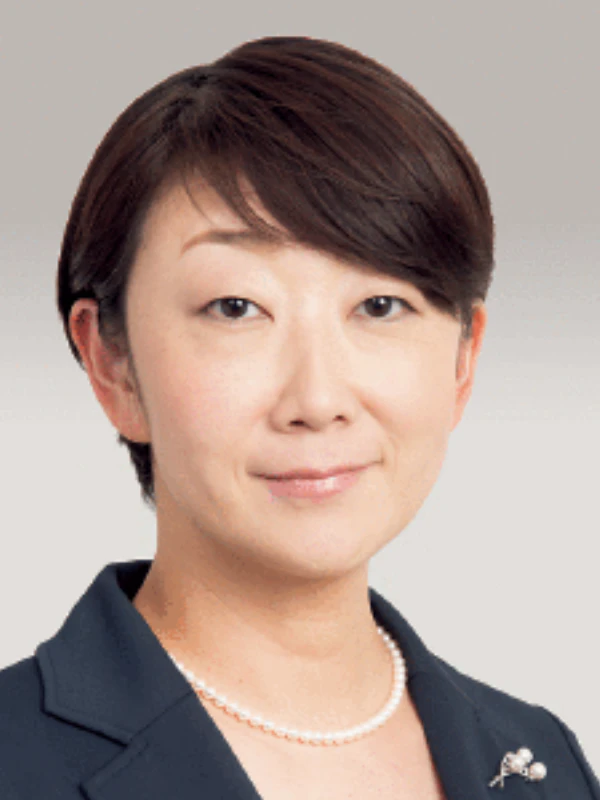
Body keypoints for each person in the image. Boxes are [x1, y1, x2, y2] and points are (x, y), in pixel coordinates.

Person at [0, 35, 597, 800]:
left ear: (462, 360)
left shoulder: (542, 763)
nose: (317, 401)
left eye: (379, 306)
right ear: (112, 363)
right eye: (236, 307)